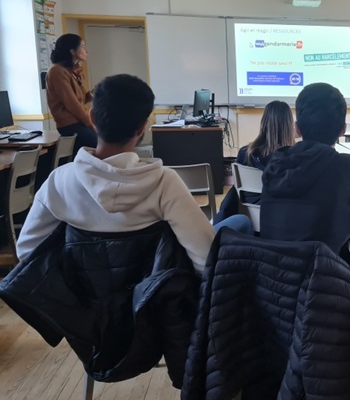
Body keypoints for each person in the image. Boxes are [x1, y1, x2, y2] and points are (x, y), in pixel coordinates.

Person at [17, 74, 254, 274]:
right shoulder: (164, 183)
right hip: (154, 308)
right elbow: (205, 260)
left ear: (92, 119)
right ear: (143, 128)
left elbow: (27, 251)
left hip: (83, 321)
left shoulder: (59, 181)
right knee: (239, 223)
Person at [260, 82, 350, 319]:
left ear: (296, 129)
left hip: (272, 297)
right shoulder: (345, 169)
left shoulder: (275, 165)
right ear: (343, 129)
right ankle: (347, 352)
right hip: (323, 302)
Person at [214, 100, 295, 223]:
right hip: (281, 222)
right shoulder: (294, 157)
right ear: (289, 126)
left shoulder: (245, 153)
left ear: (264, 123)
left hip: (248, 218)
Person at [46, 33, 98, 153]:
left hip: (79, 122)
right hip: (70, 124)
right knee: (99, 145)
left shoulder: (73, 70)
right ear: (72, 51)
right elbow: (72, 104)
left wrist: (96, 91)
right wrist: (91, 125)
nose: (86, 51)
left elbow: (83, 99)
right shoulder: (57, 71)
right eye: (83, 47)